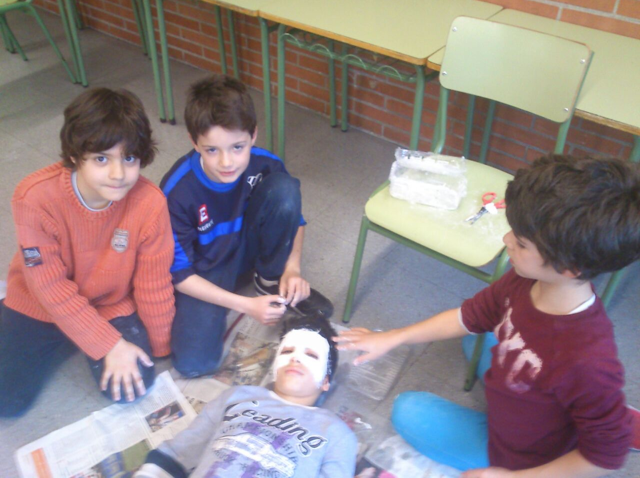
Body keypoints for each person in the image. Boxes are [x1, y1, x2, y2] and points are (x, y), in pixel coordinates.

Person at [336, 155, 640, 477]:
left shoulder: (588, 361)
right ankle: (599, 413)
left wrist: (512, 477)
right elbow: (470, 316)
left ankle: (606, 417)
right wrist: (394, 337)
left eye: (520, 242)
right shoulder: (526, 278)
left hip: (522, 456)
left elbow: (604, 458)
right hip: (525, 396)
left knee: (406, 410)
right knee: (476, 337)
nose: (506, 240)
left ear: (568, 267)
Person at [0, 88, 175, 416]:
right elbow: (49, 289)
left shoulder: (151, 203)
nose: (118, 174)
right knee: (6, 403)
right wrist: (109, 344)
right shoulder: (34, 197)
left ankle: (76, 333)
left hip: (108, 303)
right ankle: (65, 331)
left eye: (129, 158)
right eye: (101, 159)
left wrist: (162, 346)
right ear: (74, 155)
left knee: (134, 385)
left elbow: (153, 283)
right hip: (40, 305)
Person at [161, 75, 332, 378]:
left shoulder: (266, 164)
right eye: (212, 150)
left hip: (246, 248)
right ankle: (247, 291)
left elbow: (295, 219)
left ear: (253, 135)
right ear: (194, 141)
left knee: (285, 189)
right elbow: (180, 275)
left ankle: (269, 278)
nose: (227, 162)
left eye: (237, 147)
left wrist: (292, 268)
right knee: (194, 365)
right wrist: (245, 305)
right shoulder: (177, 191)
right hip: (206, 270)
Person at [134, 315, 358, 478]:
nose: (295, 359)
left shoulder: (337, 433)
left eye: (311, 355)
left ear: (326, 381)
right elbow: (181, 449)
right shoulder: (237, 396)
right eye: (287, 351)